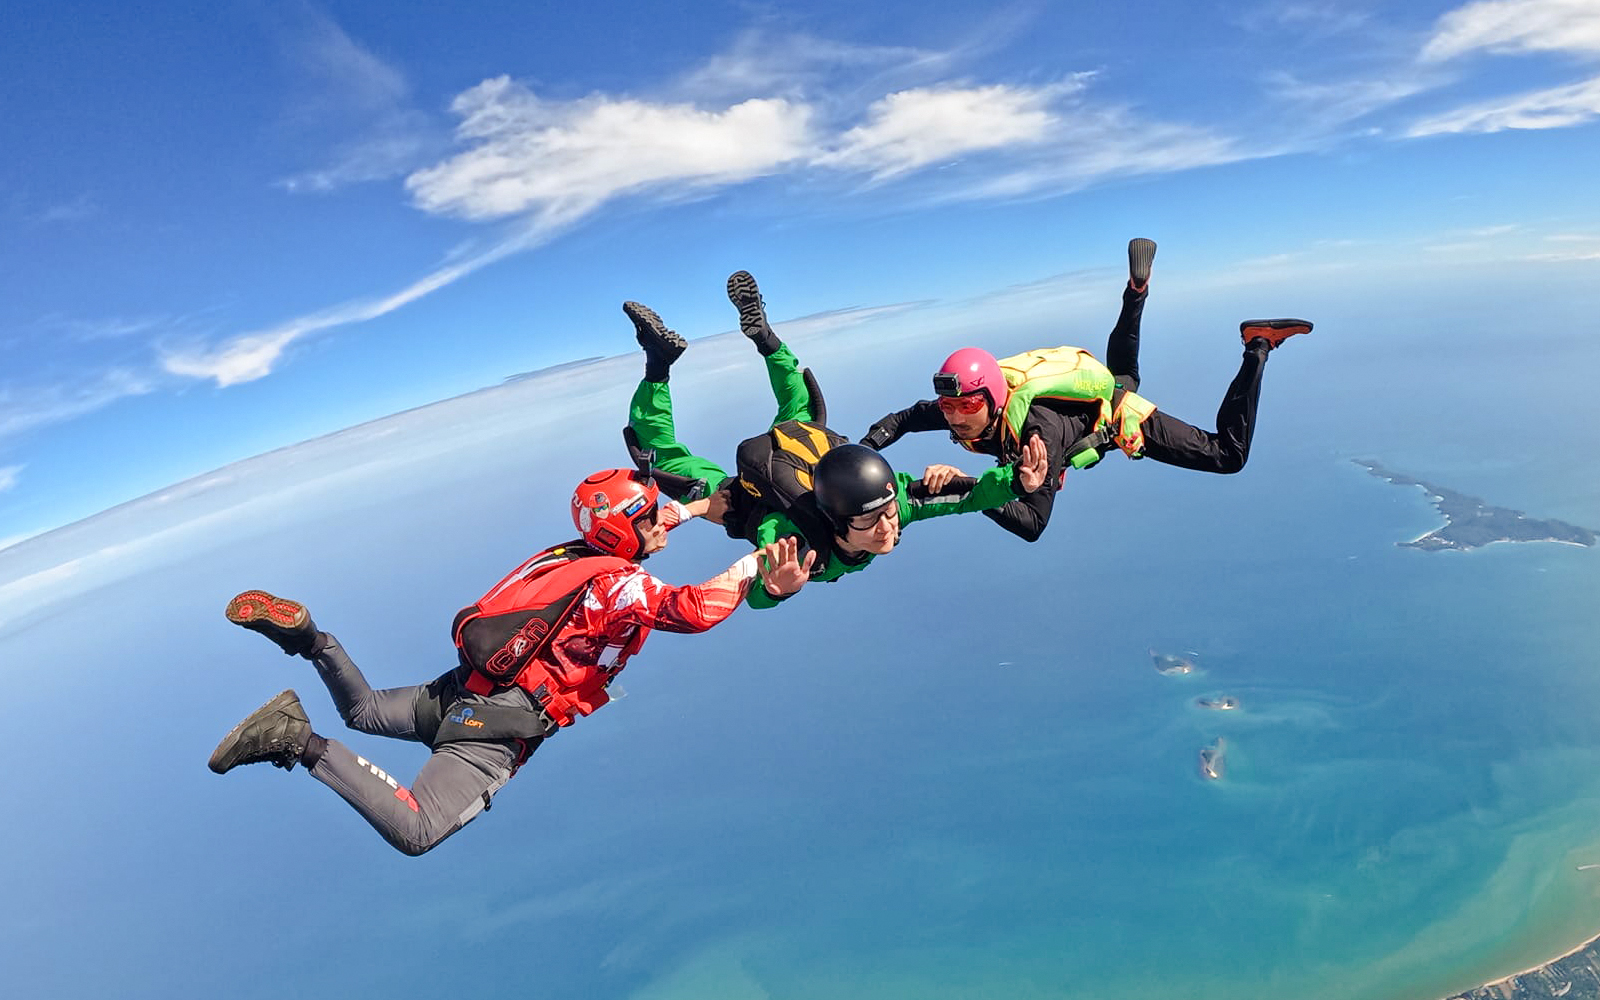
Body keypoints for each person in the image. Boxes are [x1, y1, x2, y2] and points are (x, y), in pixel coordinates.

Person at [207, 466, 811, 856]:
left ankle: (310, 639)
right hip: (497, 728)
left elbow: (636, 528)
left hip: (461, 690)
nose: (664, 524)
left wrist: (702, 509)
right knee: (417, 830)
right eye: (654, 516)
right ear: (628, 530)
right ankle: (294, 739)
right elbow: (694, 608)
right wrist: (762, 566)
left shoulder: (572, 555)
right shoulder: (621, 587)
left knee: (363, 712)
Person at [623, 271, 1049, 608]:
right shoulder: (797, 539)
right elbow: (748, 580)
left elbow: (970, 496)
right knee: (664, 455)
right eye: (871, 520)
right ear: (839, 519)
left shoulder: (894, 504)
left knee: (797, 404)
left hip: (804, 450)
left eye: (886, 513)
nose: (888, 527)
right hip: (745, 494)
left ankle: (745, 343)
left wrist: (1018, 482)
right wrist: (775, 588)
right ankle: (669, 362)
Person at [860, 239, 1313, 542]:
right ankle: (1137, 291)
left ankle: (1257, 345)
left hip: (1115, 419)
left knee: (1226, 455)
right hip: (1096, 390)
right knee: (1124, 376)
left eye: (966, 404)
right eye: (949, 406)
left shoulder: (1037, 436)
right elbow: (899, 421)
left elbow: (1033, 523)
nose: (956, 415)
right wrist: (858, 451)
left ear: (994, 399)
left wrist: (963, 487)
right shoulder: (965, 407)